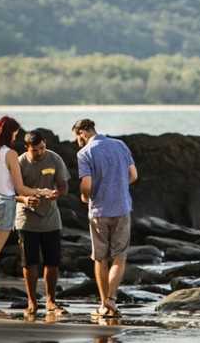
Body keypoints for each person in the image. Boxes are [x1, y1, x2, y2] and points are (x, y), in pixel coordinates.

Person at [0, 116, 52, 320]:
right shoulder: (10, 154)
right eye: (15, 133)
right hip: (1, 204)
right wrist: (40, 191)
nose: (16, 137)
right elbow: (19, 188)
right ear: (9, 133)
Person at [73, 118, 138, 318]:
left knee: (100, 258)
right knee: (119, 256)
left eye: (77, 137)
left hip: (99, 212)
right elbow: (134, 175)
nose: (78, 141)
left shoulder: (84, 153)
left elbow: (86, 185)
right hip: (122, 208)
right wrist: (117, 185)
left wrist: (85, 197)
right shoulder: (120, 145)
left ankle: (103, 304)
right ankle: (111, 301)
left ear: (82, 132)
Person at [15, 129, 70, 316]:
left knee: (52, 262)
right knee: (29, 263)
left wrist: (57, 193)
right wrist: (25, 199)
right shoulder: (19, 162)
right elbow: (10, 192)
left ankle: (50, 301)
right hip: (26, 219)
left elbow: (63, 185)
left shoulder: (54, 159)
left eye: (42, 148)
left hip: (51, 219)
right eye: (35, 150)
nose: (40, 153)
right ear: (27, 148)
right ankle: (32, 302)